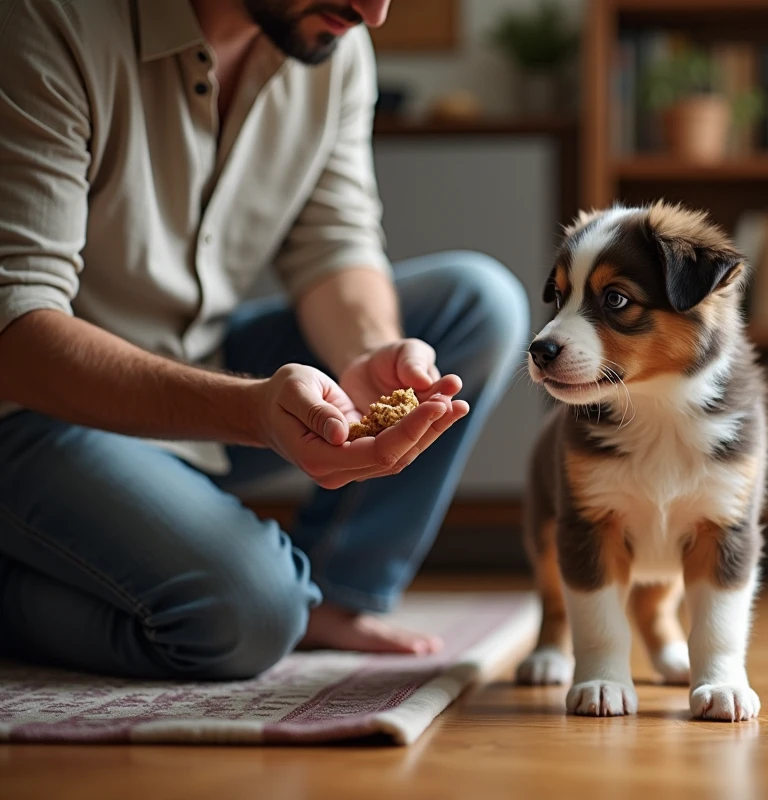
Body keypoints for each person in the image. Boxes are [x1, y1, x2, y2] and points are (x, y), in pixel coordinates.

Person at [0, 0, 530, 680]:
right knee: (248, 614)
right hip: (32, 407)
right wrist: (251, 411)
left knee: (475, 303)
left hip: (198, 364)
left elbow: (333, 242)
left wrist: (369, 351)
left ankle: (334, 595)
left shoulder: (328, 42)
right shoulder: (46, 20)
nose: (374, 12)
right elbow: (16, 329)